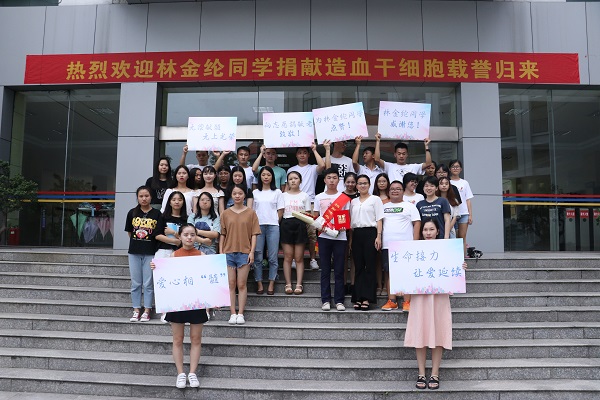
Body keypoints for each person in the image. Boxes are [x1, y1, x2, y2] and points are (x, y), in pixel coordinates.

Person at [404, 218, 467, 390]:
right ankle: (421, 373)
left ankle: (435, 373)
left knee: (438, 332)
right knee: (420, 332)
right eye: (425, 230)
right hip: (420, 296)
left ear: (437, 231)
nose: (428, 233)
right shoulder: (413, 251)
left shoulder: (446, 250)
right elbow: (406, 273)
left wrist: (460, 267)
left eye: (431, 229)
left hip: (439, 296)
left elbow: (453, 272)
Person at [150, 224, 207, 389]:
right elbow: (165, 278)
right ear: (180, 236)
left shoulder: (202, 256)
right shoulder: (173, 256)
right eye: (186, 234)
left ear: (196, 237)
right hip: (177, 302)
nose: (189, 237)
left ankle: (193, 373)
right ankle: (181, 373)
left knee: (196, 338)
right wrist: (156, 267)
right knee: (177, 339)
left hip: (196, 302)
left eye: (192, 235)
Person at [220, 184, 261, 325]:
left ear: (245, 195)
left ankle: (241, 313)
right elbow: (222, 234)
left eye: (240, 193)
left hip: (244, 252)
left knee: (241, 284)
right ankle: (232, 313)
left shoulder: (251, 213)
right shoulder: (225, 213)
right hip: (228, 252)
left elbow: (254, 234)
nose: (237, 196)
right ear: (231, 195)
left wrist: (252, 252)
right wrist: (221, 251)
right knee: (231, 284)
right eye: (234, 193)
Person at [287, 141, 329, 270]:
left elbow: (323, 165)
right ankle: (293, 259)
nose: (302, 155)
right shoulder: (291, 170)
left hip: (310, 203)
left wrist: (315, 150)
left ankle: (312, 259)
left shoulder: (312, 168)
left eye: (305, 152)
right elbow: (287, 188)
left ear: (308, 155)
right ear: (296, 155)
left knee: (311, 233)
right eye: (299, 153)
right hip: (294, 203)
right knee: (293, 232)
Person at [380, 181, 421, 312]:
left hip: (405, 245)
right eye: (392, 189)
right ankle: (392, 301)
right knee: (389, 272)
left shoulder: (410, 206)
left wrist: (415, 242)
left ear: (403, 191)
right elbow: (379, 223)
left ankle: (407, 301)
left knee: (406, 272)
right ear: (388, 192)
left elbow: (417, 223)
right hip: (387, 245)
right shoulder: (383, 206)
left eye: (398, 189)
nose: (395, 191)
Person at [313, 168, 351, 312]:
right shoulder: (319, 197)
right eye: (329, 178)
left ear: (338, 180)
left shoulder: (343, 197)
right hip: (324, 237)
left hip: (340, 237)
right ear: (324, 180)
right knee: (325, 269)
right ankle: (326, 300)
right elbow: (316, 216)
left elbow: (346, 216)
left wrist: (341, 227)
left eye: (334, 178)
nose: (332, 180)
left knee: (340, 269)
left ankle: (339, 300)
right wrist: (320, 226)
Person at [124, 186, 162, 322]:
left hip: (150, 252)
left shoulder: (157, 214)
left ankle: (147, 310)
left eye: (146, 196)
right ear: (137, 198)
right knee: (135, 283)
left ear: (151, 197)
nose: (144, 198)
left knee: (148, 283)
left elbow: (158, 234)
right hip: (134, 252)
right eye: (141, 196)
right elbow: (130, 232)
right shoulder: (132, 213)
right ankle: (136, 310)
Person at [350, 175, 384, 310]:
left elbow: (379, 219)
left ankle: (367, 298)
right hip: (357, 234)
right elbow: (351, 223)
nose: (362, 185)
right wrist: (351, 240)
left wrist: (378, 236)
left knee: (369, 266)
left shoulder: (375, 199)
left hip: (371, 233)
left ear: (369, 185)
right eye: (360, 183)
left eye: (365, 183)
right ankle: (358, 297)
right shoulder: (353, 202)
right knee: (358, 267)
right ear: (356, 186)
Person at [252, 166, 284, 295]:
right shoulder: (255, 192)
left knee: (272, 256)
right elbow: (252, 211)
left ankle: (271, 283)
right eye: (263, 175)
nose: (266, 177)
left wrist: (275, 221)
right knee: (258, 256)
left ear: (272, 177)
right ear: (260, 177)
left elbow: (280, 210)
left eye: (268, 175)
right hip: (258, 227)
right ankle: (259, 283)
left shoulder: (277, 192)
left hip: (273, 226)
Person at [280, 171, 311, 295]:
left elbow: (308, 214)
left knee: (299, 257)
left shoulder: (305, 196)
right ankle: (288, 283)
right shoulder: (283, 195)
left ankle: (299, 284)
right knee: (288, 256)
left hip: (300, 225)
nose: (293, 181)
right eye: (290, 179)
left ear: (300, 180)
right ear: (287, 181)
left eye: (296, 178)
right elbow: (280, 212)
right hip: (286, 225)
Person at [449, 160, 474, 256]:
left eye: (457, 166)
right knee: (453, 237)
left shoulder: (465, 183)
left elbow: (468, 200)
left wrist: (470, 215)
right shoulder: (447, 182)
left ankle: (463, 258)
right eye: (453, 166)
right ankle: (454, 257)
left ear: (461, 169)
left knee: (462, 237)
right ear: (450, 169)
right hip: (452, 214)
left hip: (464, 214)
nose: (455, 168)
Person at [372, 172, 391, 295]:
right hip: (375, 231)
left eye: (384, 181)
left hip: (389, 232)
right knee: (378, 261)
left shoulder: (392, 197)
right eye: (379, 181)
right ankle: (379, 285)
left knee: (386, 261)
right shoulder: (373, 198)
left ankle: (386, 286)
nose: (382, 183)